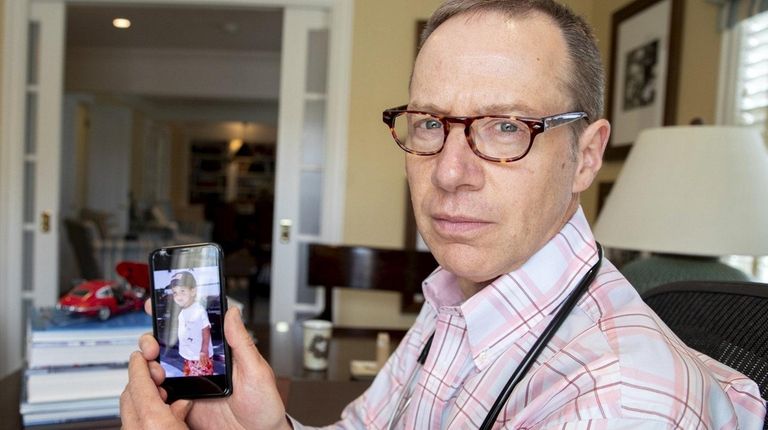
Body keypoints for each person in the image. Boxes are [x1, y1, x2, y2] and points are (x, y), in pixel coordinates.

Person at [120, 1, 767, 428]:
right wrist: (270, 425)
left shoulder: (616, 404)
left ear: (586, 156)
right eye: (430, 122)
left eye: (507, 127)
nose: (450, 173)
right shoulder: (461, 290)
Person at [169, 271, 213, 376]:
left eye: (182, 291)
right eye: (175, 292)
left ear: (193, 291)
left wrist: (204, 350)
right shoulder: (183, 311)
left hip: (200, 357)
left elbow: (206, 330)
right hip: (189, 356)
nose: (178, 296)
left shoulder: (199, 310)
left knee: (204, 382)